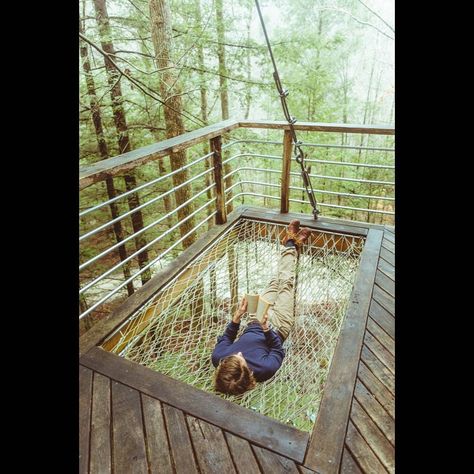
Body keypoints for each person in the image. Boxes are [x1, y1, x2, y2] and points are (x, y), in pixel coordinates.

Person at [211, 220, 311, 395]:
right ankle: (291, 242)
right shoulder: (265, 370)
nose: (240, 352)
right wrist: (266, 328)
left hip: (254, 319)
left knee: (275, 281)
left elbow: (227, 338)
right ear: (248, 374)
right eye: (241, 359)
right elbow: (278, 349)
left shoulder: (219, 359)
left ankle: (292, 243)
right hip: (279, 325)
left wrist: (237, 317)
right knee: (286, 283)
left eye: (234, 355)